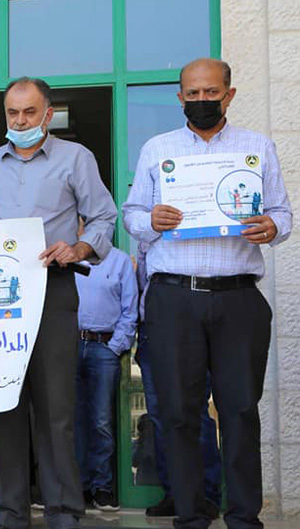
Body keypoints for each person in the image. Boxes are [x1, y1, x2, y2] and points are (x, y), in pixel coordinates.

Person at [122, 58, 292, 529]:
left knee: (240, 411)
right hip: (174, 299)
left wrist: (272, 226)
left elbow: (282, 214)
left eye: (211, 92)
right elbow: (131, 214)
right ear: (180, 97)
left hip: (238, 299)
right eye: (193, 94)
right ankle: (191, 516)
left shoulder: (257, 147)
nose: (202, 100)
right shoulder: (158, 149)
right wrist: (150, 220)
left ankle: (244, 518)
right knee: (178, 414)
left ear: (229, 95)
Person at [0, 77, 118, 529]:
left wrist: (79, 247)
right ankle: (9, 513)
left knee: (56, 411)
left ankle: (63, 513)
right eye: (13, 113)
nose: (21, 120)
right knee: (0, 406)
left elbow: (104, 216)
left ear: (48, 114)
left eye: (30, 112)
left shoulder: (76, 158)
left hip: (53, 289)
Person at [133, 244, 221, 519]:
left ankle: (207, 494)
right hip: (152, 330)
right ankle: (175, 493)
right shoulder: (147, 240)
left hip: (188, 327)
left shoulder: (190, 239)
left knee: (195, 412)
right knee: (160, 417)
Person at [73, 220, 137, 512]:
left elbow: (130, 310)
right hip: (68, 348)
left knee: (101, 421)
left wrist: (115, 346)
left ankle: (103, 487)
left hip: (104, 348)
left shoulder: (120, 261)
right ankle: (77, 487)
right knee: (70, 420)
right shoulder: (66, 258)